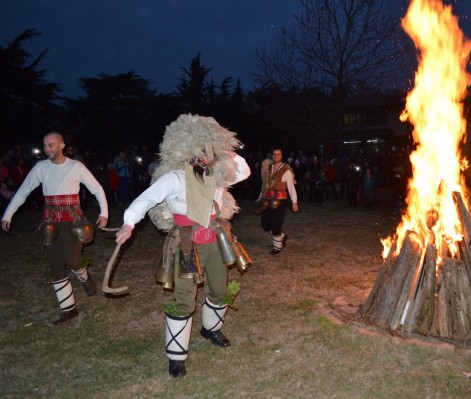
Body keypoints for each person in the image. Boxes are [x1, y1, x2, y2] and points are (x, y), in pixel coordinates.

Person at [114, 114, 251, 378]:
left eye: (210, 150)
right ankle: (176, 355)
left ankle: (211, 328)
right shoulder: (174, 178)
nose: (206, 156)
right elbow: (145, 200)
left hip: (215, 240)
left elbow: (244, 171)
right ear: (188, 149)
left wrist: (224, 147)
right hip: (186, 244)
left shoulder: (219, 176)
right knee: (184, 299)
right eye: (202, 150)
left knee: (219, 289)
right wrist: (128, 223)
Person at [1, 132, 108, 324]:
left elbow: (97, 189)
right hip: (50, 222)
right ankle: (69, 309)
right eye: (45, 146)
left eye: (51, 145)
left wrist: (104, 213)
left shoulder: (76, 166)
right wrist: (7, 214)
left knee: (72, 260)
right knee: (56, 264)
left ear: (61, 145)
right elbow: (23, 191)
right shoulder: (40, 167)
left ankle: (84, 276)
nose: (48, 149)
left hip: (73, 221)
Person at [260, 148, 298, 255]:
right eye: (274, 154)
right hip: (268, 199)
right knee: (265, 224)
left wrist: (294, 202)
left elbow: (291, 187)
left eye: (278, 154)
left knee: (276, 224)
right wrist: (261, 196)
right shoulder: (269, 168)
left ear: (281, 156)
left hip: (280, 201)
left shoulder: (286, 169)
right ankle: (282, 237)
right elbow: (265, 184)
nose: (276, 156)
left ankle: (277, 247)